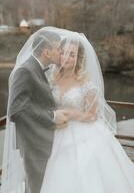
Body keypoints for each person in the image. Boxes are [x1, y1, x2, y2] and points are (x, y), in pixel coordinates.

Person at [39, 27, 134, 193]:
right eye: (64, 52)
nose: (67, 57)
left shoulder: (85, 82)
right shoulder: (51, 77)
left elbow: (92, 115)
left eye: (72, 54)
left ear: (78, 58)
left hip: (82, 131)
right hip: (56, 131)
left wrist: (75, 114)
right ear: (58, 52)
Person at [1, 28, 69, 193]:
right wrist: (52, 116)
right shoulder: (25, 71)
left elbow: (37, 101)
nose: (61, 51)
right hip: (34, 145)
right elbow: (16, 110)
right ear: (46, 52)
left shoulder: (37, 68)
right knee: (36, 188)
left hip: (42, 142)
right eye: (58, 48)